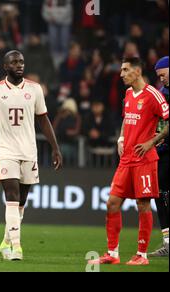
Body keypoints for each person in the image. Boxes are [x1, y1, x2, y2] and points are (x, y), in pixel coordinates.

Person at [0, 50, 62, 261]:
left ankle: (6, 241)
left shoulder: (35, 89)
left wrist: (55, 148)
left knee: (21, 201)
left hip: (28, 150)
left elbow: (43, 120)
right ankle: (17, 247)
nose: (19, 65)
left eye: (21, 61)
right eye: (14, 62)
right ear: (5, 66)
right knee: (12, 195)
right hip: (5, 149)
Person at [89, 57, 169, 266]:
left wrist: (151, 142)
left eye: (125, 70)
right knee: (112, 203)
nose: (122, 74)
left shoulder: (154, 95)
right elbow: (126, 117)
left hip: (144, 160)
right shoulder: (127, 94)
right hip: (126, 160)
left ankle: (141, 256)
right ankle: (112, 253)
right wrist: (121, 138)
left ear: (137, 71)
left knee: (143, 205)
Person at [149, 56, 169, 257]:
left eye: (163, 74)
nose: (161, 78)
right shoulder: (161, 93)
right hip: (163, 153)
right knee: (161, 195)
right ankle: (168, 242)